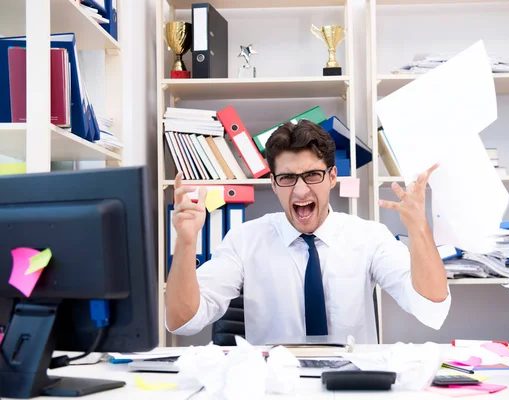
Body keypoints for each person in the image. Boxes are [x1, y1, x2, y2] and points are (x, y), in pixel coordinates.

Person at [165, 120, 450, 344]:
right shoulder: (245, 240)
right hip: (273, 391)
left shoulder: (369, 237)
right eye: (288, 178)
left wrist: (418, 227)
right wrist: (186, 243)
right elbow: (183, 321)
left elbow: (431, 306)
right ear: (274, 184)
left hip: (348, 387)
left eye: (313, 175)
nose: (301, 190)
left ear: (333, 177)